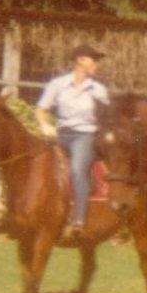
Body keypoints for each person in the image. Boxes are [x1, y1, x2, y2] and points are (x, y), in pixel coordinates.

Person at [35, 44, 109, 236]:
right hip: (60, 134)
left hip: (85, 136)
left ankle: (79, 220)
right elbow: (41, 109)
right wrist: (45, 124)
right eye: (94, 60)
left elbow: (108, 118)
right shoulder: (57, 85)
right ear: (81, 60)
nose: (97, 64)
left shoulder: (98, 90)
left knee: (77, 168)